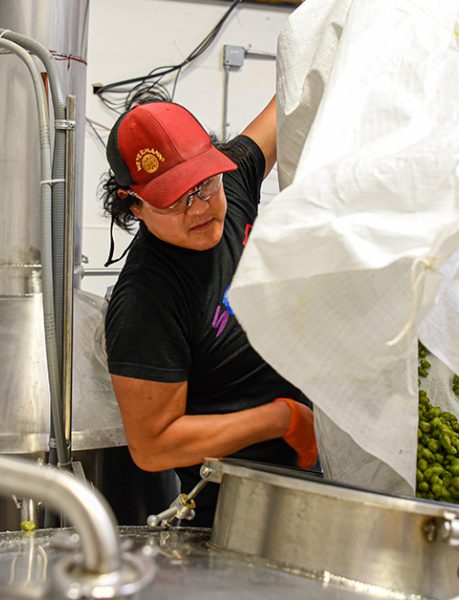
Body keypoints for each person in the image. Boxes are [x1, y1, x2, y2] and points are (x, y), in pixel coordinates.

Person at [101, 99, 318, 526]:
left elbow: (294, 96)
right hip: (237, 506)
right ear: (134, 206)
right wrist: (284, 419)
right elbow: (153, 446)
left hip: (316, 467)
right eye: (174, 199)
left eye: (204, 185)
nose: (199, 207)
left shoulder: (228, 184)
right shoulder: (146, 301)